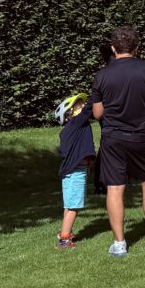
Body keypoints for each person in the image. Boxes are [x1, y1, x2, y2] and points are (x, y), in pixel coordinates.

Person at [91, 27, 145, 258]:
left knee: (115, 188)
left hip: (113, 138)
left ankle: (119, 243)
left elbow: (97, 113)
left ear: (113, 48)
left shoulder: (102, 75)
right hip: (142, 136)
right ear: (137, 47)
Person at [55, 93, 96, 248]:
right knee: (74, 206)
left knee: (69, 205)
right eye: (79, 105)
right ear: (69, 113)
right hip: (76, 171)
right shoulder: (76, 123)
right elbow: (89, 110)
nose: (84, 106)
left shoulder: (71, 128)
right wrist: (96, 92)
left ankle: (65, 232)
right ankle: (64, 239)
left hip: (71, 171)